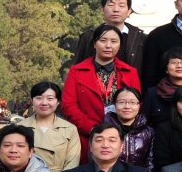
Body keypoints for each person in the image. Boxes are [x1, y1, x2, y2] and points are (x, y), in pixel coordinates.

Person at [60, 25, 142, 159]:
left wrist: (120, 130)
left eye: (114, 41)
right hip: (87, 136)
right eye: (103, 40)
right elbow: (69, 106)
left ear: (119, 46)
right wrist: (92, 129)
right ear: (94, 44)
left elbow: (136, 103)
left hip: (122, 136)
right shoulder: (76, 71)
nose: (108, 45)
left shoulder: (130, 72)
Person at [18, 81, 81, 172]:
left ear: (58, 102)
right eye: (39, 98)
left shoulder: (69, 129)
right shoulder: (19, 128)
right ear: (32, 100)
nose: (44, 103)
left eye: (50, 98)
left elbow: (73, 162)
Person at [75, 0, 147, 72]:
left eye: (121, 6)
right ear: (102, 10)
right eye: (111, 5)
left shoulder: (140, 38)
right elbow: (77, 68)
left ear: (129, 12)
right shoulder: (89, 37)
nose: (116, 9)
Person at [111, 86, 154, 172]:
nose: (127, 106)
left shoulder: (148, 132)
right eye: (121, 102)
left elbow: (150, 163)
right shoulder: (103, 131)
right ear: (114, 104)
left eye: (133, 102)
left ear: (139, 105)